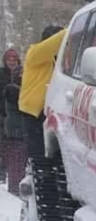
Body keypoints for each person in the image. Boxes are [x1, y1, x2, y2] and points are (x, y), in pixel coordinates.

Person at [19, 25, 66, 159]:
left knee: (50, 157)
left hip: (48, 112)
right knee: (39, 157)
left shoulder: (54, 61)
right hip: (33, 114)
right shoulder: (34, 52)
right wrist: (73, 29)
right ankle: (39, 178)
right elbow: (54, 43)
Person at [0, 48, 26, 195]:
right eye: (9, 60)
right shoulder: (1, 74)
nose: (12, 62)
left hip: (16, 116)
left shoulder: (22, 74)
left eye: (14, 60)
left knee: (13, 146)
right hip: (2, 114)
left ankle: (12, 177)